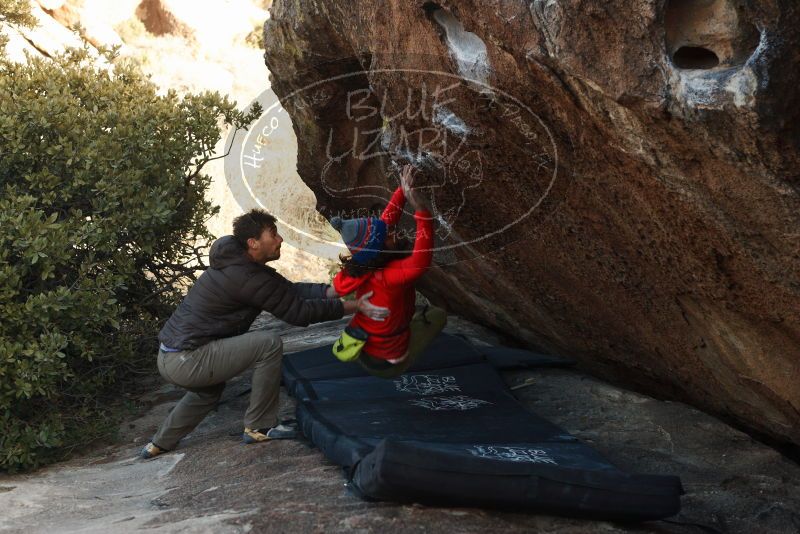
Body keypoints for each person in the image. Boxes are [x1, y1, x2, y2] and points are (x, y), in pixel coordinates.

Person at [141, 210, 389, 459]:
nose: (280, 239)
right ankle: (260, 426)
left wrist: (332, 291)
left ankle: (159, 443)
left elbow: (288, 290)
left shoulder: (240, 264)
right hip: (186, 359)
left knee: (208, 392)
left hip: (170, 356)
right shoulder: (246, 276)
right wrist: (353, 306)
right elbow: (298, 312)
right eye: (273, 234)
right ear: (253, 243)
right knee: (267, 344)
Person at [329, 164, 447, 378]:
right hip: (390, 352)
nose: (394, 230)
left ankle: (371, 354)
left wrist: (403, 190)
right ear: (380, 248)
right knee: (438, 315)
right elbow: (421, 259)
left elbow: (385, 223)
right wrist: (421, 210)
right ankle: (395, 362)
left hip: (366, 333)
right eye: (389, 234)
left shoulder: (364, 263)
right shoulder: (387, 278)